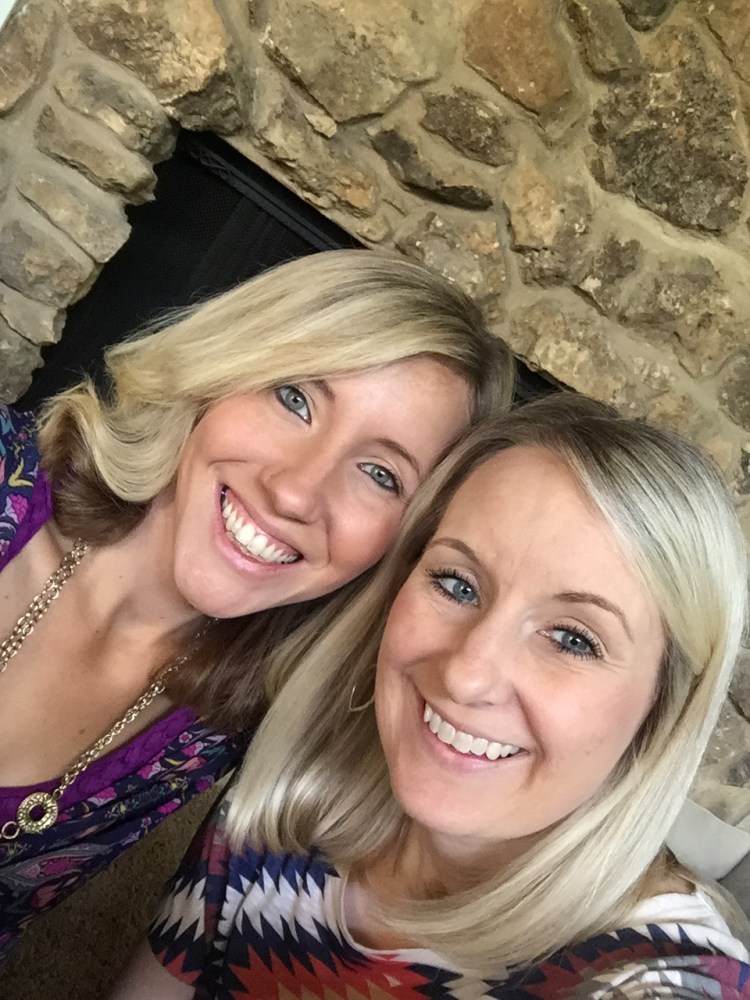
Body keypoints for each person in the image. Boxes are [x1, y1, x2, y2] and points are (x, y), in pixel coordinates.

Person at [115, 393, 749, 999]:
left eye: (572, 640)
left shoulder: (662, 973)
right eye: (457, 584)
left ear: (664, 708)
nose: (466, 674)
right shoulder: (295, 792)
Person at [0, 248, 514, 963]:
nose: (295, 491)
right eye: (294, 399)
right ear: (218, 370)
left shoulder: (229, 729)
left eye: (379, 473)